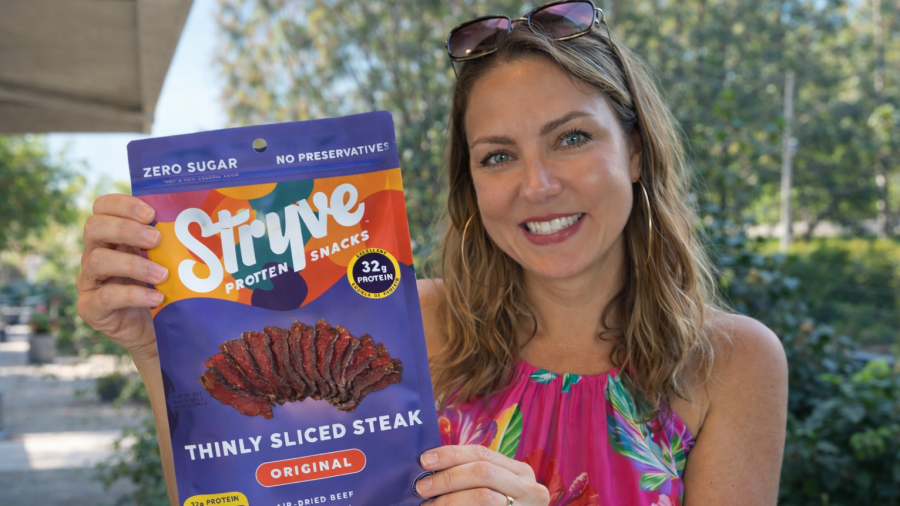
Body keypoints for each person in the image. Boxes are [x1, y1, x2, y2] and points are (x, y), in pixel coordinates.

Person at [77, 2, 788, 505]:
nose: (537, 185)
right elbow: (240, 490)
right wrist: (155, 352)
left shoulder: (733, 365)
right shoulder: (405, 327)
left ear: (634, 150)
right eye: (498, 155)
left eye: (572, 137)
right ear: (471, 182)